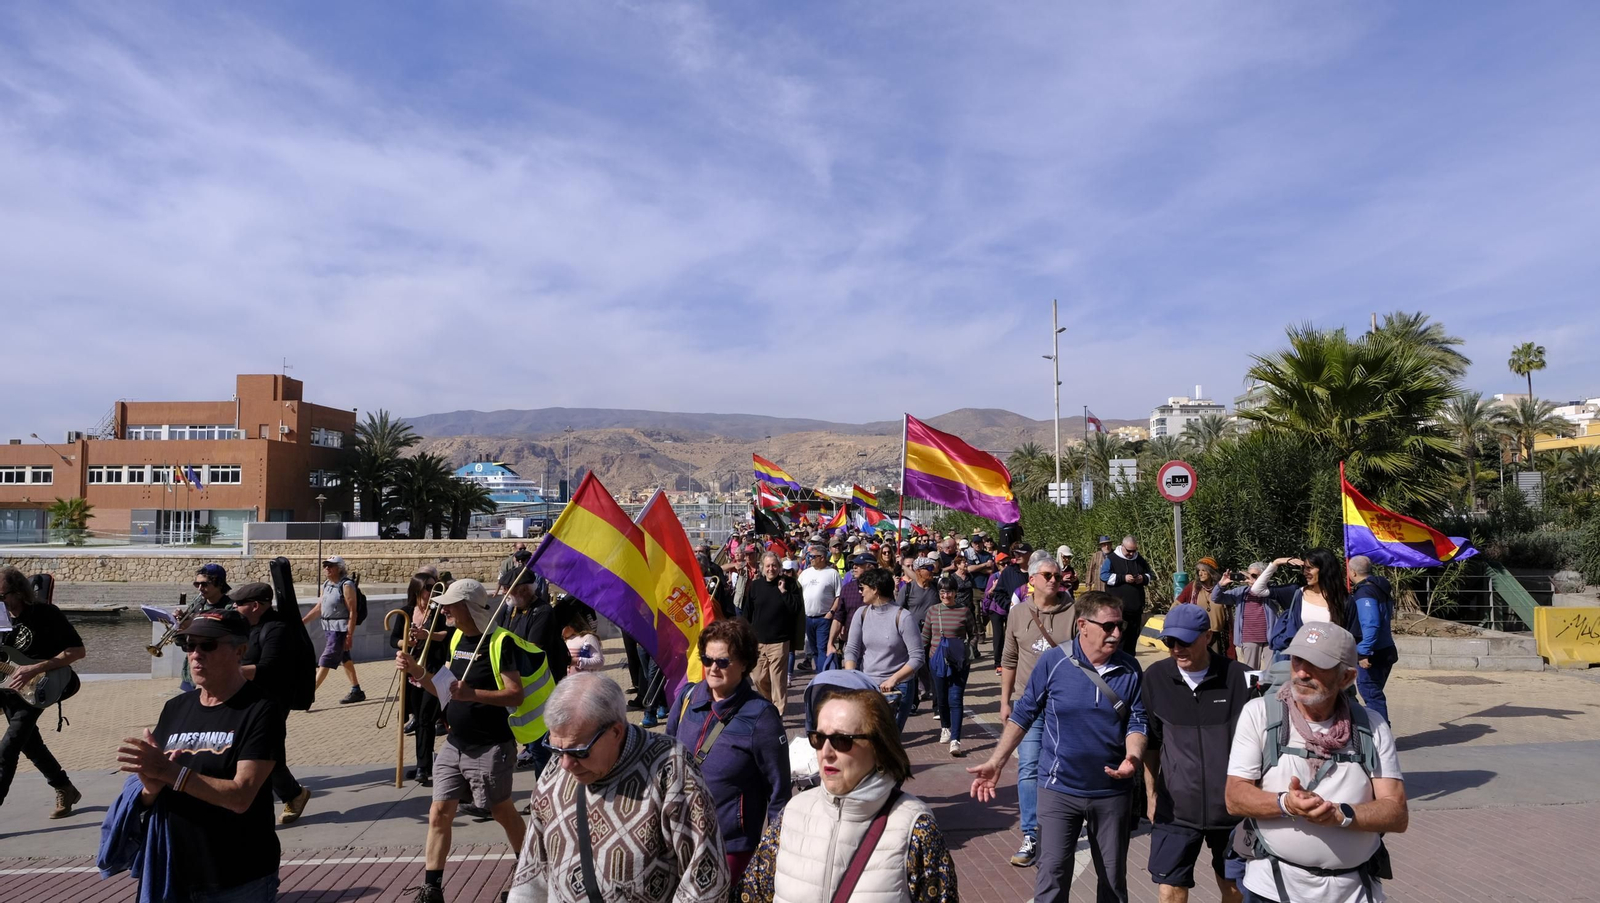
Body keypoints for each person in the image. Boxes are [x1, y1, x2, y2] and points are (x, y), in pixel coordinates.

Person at [970, 590, 1148, 903]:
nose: (1117, 633)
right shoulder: (1054, 662)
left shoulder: (1130, 668)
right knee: (1051, 876)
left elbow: (1138, 721)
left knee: (1112, 882)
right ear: (1083, 625)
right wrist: (996, 762)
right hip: (1059, 790)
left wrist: (1132, 757)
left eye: (1120, 626)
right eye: (1108, 626)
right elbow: (1023, 714)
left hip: (1111, 792)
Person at [1225, 623, 1408, 903]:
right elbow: (1234, 797)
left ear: (1346, 677)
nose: (1301, 673)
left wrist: (1341, 815)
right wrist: (1286, 804)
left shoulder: (1372, 725)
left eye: (1317, 665)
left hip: (1354, 892)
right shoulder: (1259, 714)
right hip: (1271, 889)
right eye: (1297, 660)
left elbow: (1396, 813)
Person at [507, 673, 729, 903]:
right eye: (555, 749)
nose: (566, 764)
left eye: (579, 751)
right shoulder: (557, 766)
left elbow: (705, 880)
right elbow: (532, 874)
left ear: (615, 732)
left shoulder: (671, 767)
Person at [396, 579, 551, 903]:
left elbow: (515, 694)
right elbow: (446, 689)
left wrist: (472, 694)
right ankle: (432, 889)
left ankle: (534, 875)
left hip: (491, 745)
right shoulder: (456, 639)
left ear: (467, 607)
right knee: (439, 811)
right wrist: (417, 671)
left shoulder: (500, 642)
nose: (444, 612)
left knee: (502, 811)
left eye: (450, 606)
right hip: (455, 743)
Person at [113, 610, 284, 901]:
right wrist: (149, 790)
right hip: (174, 873)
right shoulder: (176, 707)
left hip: (238, 877)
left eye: (208, 645)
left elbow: (241, 796)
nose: (195, 654)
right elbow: (155, 785)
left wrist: (168, 773)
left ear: (240, 651)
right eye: (189, 645)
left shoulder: (261, 710)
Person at [739, 688, 958, 903]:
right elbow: (751, 893)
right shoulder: (793, 813)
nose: (826, 752)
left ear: (878, 746)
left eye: (841, 740)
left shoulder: (916, 827)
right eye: (818, 738)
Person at [665, 618, 790, 889]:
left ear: (744, 664)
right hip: (680, 836)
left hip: (730, 845)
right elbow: (666, 758)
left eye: (723, 661)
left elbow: (779, 791)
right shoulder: (687, 698)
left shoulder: (761, 717)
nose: (713, 668)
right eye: (707, 659)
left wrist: (774, 850)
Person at [1141, 605, 1250, 903]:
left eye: (1185, 641)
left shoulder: (1240, 677)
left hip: (1231, 809)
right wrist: (1151, 793)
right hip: (1176, 810)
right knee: (1169, 891)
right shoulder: (1155, 678)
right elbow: (1152, 743)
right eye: (1169, 641)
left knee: (1235, 890)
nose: (1177, 649)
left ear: (1208, 636)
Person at [996, 553, 1077, 869]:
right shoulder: (1018, 614)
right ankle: (1031, 834)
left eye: (1057, 576)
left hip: (1065, 704)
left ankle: (1062, 828)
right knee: (1028, 767)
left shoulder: (1073, 611)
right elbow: (1009, 660)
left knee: (1064, 767)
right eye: (1048, 575)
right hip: (1028, 704)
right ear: (1032, 580)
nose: (1055, 580)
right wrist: (1005, 702)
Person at [0, 566, 85, 819]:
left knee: (8, 749)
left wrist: (35, 668)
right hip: (7, 690)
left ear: (18, 592)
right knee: (30, 744)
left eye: (1, 596)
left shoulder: (46, 614)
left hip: (39, 687)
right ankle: (64, 787)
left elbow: (77, 651)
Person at [229, 582, 313, 826]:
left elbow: (270, 668)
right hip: (246, 699)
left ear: (255, 605)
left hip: (271, 702)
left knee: (265, 755)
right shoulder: (246, 626)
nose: (234, 607)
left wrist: (230, 673)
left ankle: (293, 795)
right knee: (242, 751)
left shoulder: (278, 629)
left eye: (239, 603)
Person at [494, 571, 571, 767]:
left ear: (523, 590)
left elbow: (532, 647)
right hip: (518, 681)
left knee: (541, 746)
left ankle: (546, 777)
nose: (504, 593)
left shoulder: (542, 611)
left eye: (508, 589)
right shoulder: (508, 609)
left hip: (541, 685)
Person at [843, 568, 925, 730]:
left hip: (897, 689)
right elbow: (851, 649)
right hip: (867, 685)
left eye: (862, 588)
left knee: (889, 737)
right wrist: (851, 676)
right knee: (868, 735)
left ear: (875, 589)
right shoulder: (861, 613)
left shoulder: (903, 617)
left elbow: (917, 657)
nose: (860, 592)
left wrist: (894, 679)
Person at [392, 575, 451, 786]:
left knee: (426, 717)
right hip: (411, 671)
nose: (432, 591)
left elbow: (448, 633)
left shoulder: (439, 611)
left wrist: (428, 635)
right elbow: (394, 639)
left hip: (433, 671)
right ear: (417, 590)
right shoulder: (406, 612)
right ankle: (423, 763)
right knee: (418, 718)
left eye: (434, 587)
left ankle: (423, 767)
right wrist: (406, 642)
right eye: (428, 588)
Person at [1264, 550, 1361, 659]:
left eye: (1309, 568)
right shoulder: (1298, 594)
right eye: (1304, 568)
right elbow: (1258, 590)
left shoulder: (1344, 601)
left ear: (1325, 569)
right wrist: (1276, 562)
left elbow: (1352, 637)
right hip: (1299, 662)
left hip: (1329, 663)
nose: (1305, 572)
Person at [744, 551, 803, 711]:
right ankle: (768, 704)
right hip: (758, 641)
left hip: (779, 641)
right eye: (768, 566)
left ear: (779, 567)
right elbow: (747, 612)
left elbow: (796, 608)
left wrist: (784, 592)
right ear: (763, 568)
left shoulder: (789, 584)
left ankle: (778, 713)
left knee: (778, 681)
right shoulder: (755, 586)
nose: (771, 569)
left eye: (774, 566)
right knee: (758, 677)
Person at [923, 574, 974, 757]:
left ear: (955, 592)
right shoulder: (932, 611)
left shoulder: (964, 611)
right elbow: (925, 637)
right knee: (942, 698)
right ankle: (945, 727)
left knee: (956, 699)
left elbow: (973, 634)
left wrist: (967, 649)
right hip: (937, 661)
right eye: (942, 592)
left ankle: (955, 740)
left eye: (949, 591)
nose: (946, 595)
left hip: (959, 662)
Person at [302, 556, 364, 704]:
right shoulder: (326, 584)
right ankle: (357, 691)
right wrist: (302, 622)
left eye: (330, 566)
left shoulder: (347, 585)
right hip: (329, 628)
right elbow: (319, 608)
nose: (327, 568)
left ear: (339, 568)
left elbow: (352, 612)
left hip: (340, 630)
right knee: (345, 659)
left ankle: (307, 695)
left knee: (325, 660)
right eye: (325, 566)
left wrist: (349, 635)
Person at [1213, 563, 1295, 670]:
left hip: (1270, 639)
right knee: (1251, 672)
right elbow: (1216, 598)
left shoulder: (1271, 592)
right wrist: (1221, 584)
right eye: (1249, 574)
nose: (1250, 578)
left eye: (1254, 575)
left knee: (1271, 672)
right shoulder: (1241, 592)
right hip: (1249, 639)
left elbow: (1280, 601)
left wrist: (1258, 585)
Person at [1347, 555, 1398, 725]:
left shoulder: (1365, 592)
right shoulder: (1380, 587)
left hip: (1372, 653)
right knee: (1374, 692)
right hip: (1386, 649)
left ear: (1353, 572)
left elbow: (1371, 623)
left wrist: (1363, 652)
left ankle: (1381, 734)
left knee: (1372, 695)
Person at [180, 563, 235, 691]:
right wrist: (181, 628)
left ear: (219, 584)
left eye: (204, 584)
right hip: (190, 674)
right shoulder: (197, 604)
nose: (200, 588)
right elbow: (184, 644)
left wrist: (192, 626)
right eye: (197, 584)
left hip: (213, 673)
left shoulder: (230, 608)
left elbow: (225, 640)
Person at [1102, 536, 1158, 654]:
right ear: (1122, 546)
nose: (1131, 554)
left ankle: (1130, 661)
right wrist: (1123, 578)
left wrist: (1143, 578)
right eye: (1129, 551)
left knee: (1132, 639)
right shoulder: (1112, 559)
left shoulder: (1139, 559)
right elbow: (1104, 576)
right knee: (1119, 639)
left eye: (1134, 550)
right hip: (1118, 609)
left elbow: (1150, 574)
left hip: (1136, 608)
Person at [825, 552, 874, 670]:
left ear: (870, 567)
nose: (854, 567)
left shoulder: (880, 589)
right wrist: (830, 643)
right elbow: (839, 617)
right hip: (852, 644)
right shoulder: (847, 589)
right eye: (853, 564)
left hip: (874, 645)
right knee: (853, 678)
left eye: (859, 565)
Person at [1175, 557, 1230, 660]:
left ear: (1211, 572)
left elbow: (1228, 615)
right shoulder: (1193, 588)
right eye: (1198, 571)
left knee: (1216, 662)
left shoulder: (1221, 588)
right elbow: (1177, 604)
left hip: (1217, 635)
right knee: (1198, 661)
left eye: (1203, 570)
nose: (1200, 573)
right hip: (1198, 633)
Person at [798, 545, 841, 673]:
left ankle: (823, 674)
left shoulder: (832, 573)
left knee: (822, 648)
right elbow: (797, 592)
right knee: (814, 649)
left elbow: (839, 596)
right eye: (809, 556)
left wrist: (831, 612)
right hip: (807, 617)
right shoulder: (805, 573)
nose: (810, 559)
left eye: (813, 556)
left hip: (823, 618)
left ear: (822, 558)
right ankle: (819, 672)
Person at [983, 551, 1022, 671]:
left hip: (1010, 609)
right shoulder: (994, 577)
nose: (1005, 565)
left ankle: (1013, 661)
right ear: (997, 565)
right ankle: (998, 663)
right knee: (998, 637)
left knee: (1012, 637)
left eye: (1008, 563)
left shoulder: (1013, 575)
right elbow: (987, 595)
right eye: (1002, 563)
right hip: (996, 610)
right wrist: (993, 588)